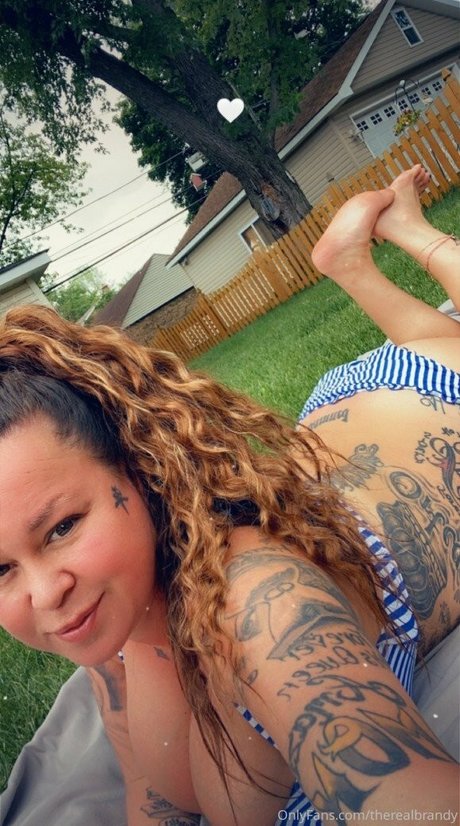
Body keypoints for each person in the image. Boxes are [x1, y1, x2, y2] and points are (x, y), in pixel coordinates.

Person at [0, 165, 458, 826]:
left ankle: (411, 232)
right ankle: (351, 262)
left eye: (63, 527)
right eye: (1, 568)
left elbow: (407, 795)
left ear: (140, 466)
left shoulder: (259, 602)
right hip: (337, 443)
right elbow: (150, 796)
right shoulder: (105, 629)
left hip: (425, 410)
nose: (45, 593)